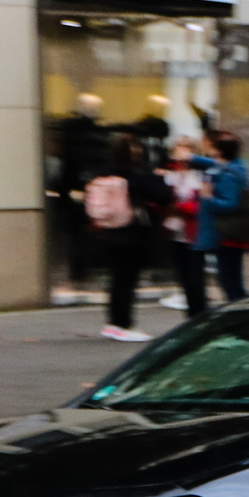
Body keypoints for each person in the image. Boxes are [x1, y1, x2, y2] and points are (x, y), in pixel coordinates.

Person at [82, 133, 165, 341]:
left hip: (108, 231)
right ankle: (123, 323)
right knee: (127, 280)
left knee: (117, 279)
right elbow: (162, 194)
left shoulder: (102, 174)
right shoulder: (134, 176)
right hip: (130, 233)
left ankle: (113, 322)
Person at [50, 92, 109, 297]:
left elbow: (68, 163)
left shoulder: (73, 132)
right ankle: (82, 269)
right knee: (85, 232)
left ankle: (79, 270)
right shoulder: (96, 135)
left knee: (76, 234)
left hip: (76, 189)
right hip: (89, 189)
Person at [194, 131, 249, 304]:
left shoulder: (227, 174)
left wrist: (208, 198)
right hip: (232, 234)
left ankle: (240, 315)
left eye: (214, 148)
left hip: (228, 235)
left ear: (220, 152)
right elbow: (210, 163)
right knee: (231, 279)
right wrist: (191, 158)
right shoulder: (237, 167)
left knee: (230, 280)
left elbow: (230, 204)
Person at [158, 138, 211, 318]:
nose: (181, 158)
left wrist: (180, 207)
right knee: (183, 277)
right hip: (175, 231)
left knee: (195, 277)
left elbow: (202, 204)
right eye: (177, 153)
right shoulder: (170, 175)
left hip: (194, 232)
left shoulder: (200, 176)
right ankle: (191, 315)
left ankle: (200, 314)